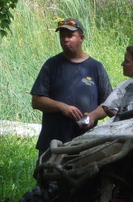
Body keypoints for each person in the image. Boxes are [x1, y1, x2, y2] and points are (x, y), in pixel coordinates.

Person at [31, 18, 112, 157]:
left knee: (86, 178)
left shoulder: (95, 67)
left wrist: (93, 116)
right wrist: (61, 107)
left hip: (86, 142)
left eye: (70, 36)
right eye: (62, 36)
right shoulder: (51, 65)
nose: (65, 40)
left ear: (81, 38)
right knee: (49, 177)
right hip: (53, 142)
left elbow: (108, 103)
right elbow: (37, 101)